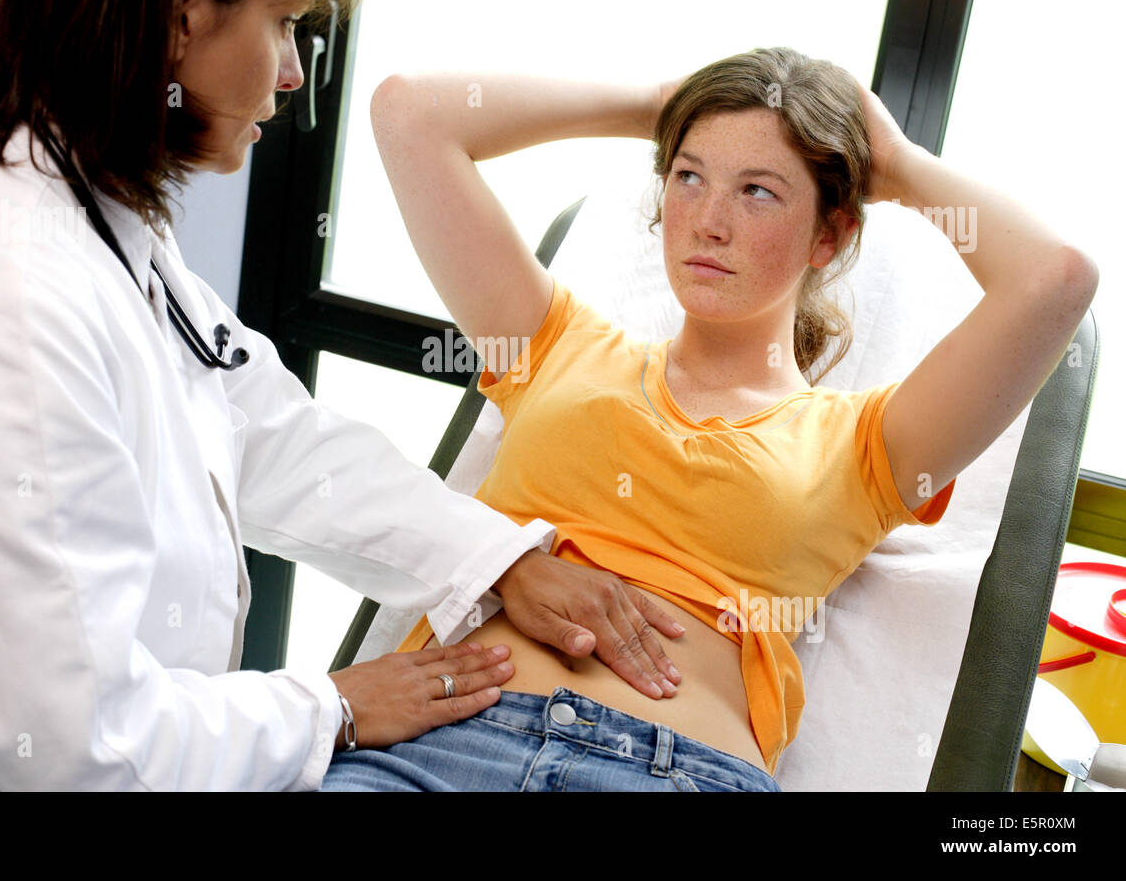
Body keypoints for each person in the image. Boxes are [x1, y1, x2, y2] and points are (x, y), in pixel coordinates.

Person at [0, 0, 687, 792]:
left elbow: (265, 428)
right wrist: (332, 709)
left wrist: (492, 560)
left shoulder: (98, 217)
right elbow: (82, 741)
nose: (292, 73)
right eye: (283, 22)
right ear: (179, 17)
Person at [320, 47, 1100, 791]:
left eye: (757, 191)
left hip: (673, 770)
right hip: (434, 747)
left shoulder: (867, 447)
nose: (708, 222)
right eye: (688, 177)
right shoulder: (552, 343)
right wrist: (659, 106)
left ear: (829, 234)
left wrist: (890, 162)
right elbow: (409, 113)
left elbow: (1055, 279)